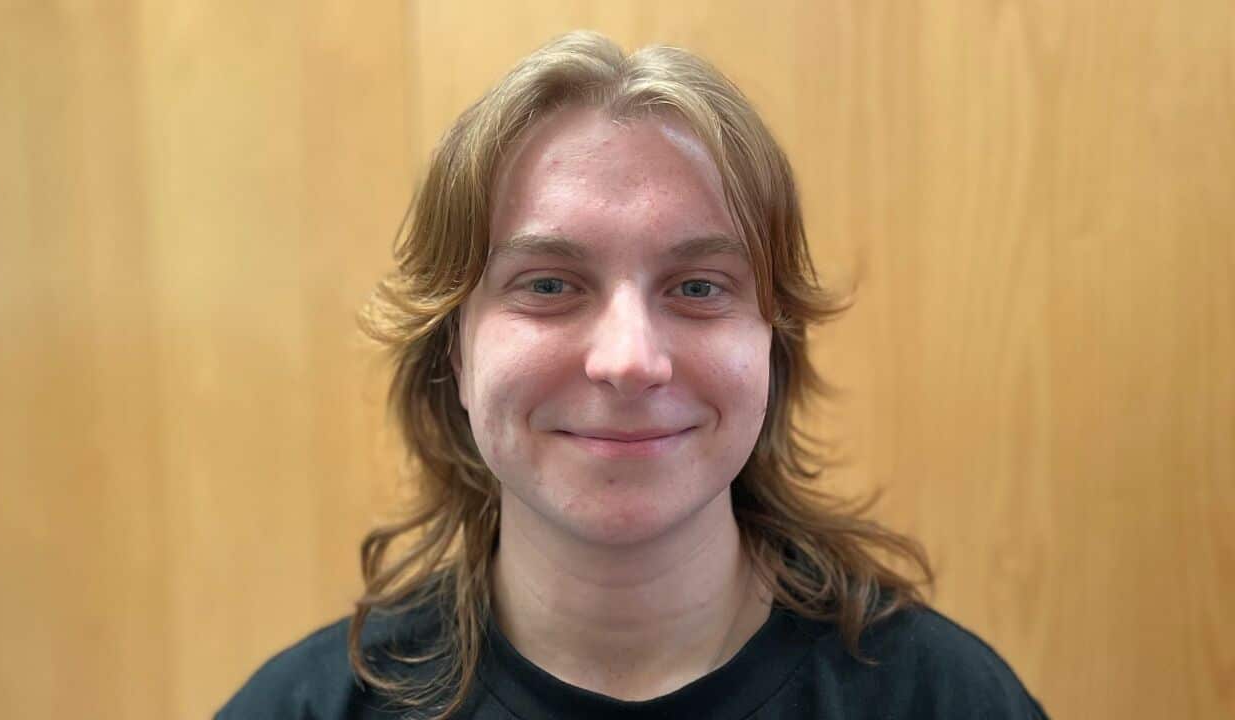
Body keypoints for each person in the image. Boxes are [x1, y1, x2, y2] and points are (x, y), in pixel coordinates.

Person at [217, 30, 1048, 720]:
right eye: (548, 285)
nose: (628, 360)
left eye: (697, 288)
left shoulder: (944, 702)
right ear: (455, 355)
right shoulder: (301, 709)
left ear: (771, 347)